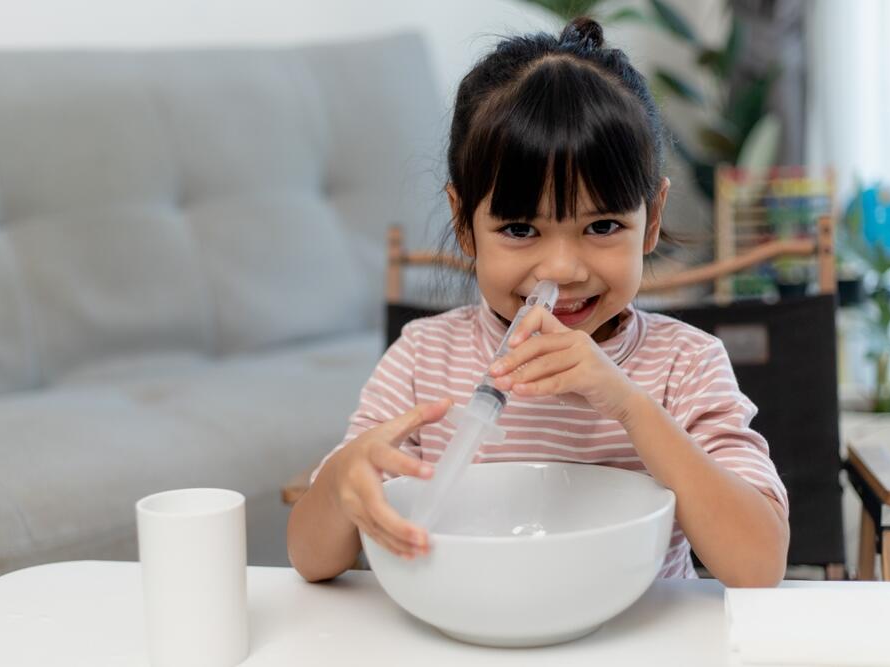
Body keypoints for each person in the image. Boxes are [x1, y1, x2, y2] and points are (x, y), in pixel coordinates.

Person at [287, 16, 789, 587]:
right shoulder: (422, 358)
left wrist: (630, 405)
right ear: (464, 221)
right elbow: (310, 558)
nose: (562, 269)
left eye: (601, 226)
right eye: (521, 230)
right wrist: (342, 482)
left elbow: (759, 565)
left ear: (651, 221)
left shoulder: (685, 367)